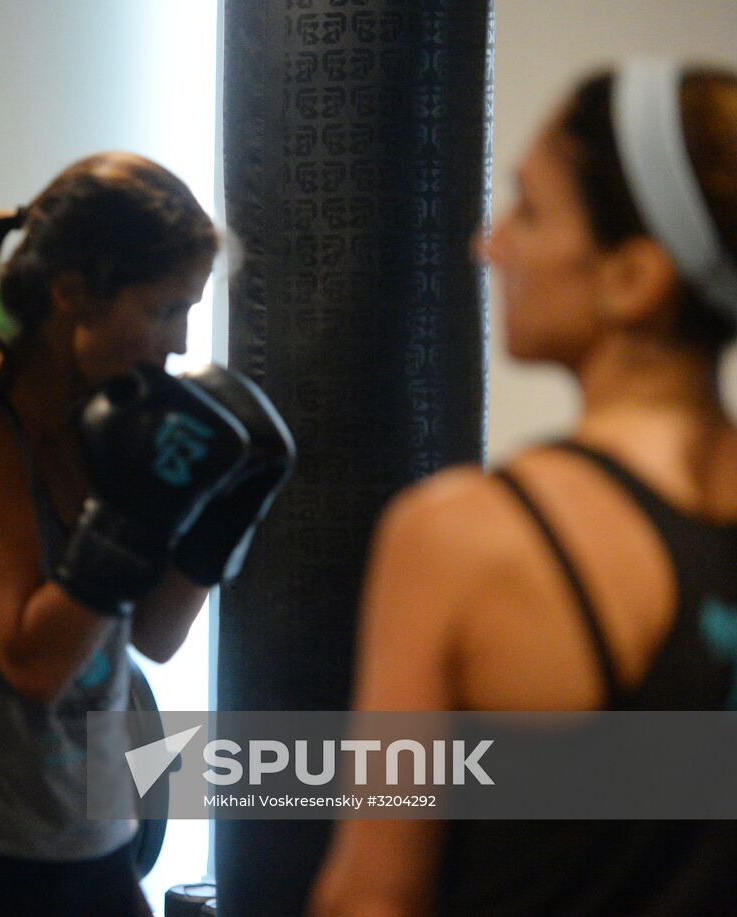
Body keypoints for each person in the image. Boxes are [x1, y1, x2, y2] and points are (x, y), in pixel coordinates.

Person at [311, 61, 737, 915]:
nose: (489, 242)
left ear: (634, 277)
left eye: (530, 210)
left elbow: (372, 899)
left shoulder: (462, 535)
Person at [0, 151, 294, 917]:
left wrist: (223, 514)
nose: (180, 344)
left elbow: (154, 633)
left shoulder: (104, 427)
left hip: (91, 838)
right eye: (162, 310)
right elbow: (32, 658)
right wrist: (140, 510)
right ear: (71, 295)